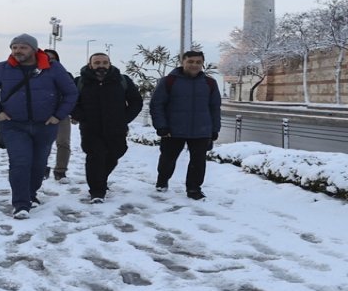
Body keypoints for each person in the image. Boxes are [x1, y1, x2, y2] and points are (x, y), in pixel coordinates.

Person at [0, 34, 78, 219]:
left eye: (22, 47)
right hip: (13, 126)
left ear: (33, 49)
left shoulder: (52, 68)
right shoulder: (1, 69)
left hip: (45, 126)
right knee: (20, 163)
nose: (17, 51)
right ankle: (21, 204)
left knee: (38, 165)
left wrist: (58, 116)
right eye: (14, 47)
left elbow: (71, 92)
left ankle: (31, 194)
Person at [71, 52, 143, 204]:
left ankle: (100, 179)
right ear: (90, 64)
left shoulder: (122, 80)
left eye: (104, 62)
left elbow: (136, 101)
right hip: (90, 129)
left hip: (116, 128)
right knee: (95, 157)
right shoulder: (80, 81)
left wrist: (124, 119)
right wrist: (81, 116)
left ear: (109, 64)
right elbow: (71, 102)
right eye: (97, 63)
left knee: (117, 152)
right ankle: (97, 191)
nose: (101, 66)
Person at [149, 50, 221, 201]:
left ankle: (194, 189)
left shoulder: (210, 83)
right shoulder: (169, 81)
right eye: (190, 61)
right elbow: (157, 104)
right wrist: (161, 126)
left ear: (202, 64)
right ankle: (162, 180)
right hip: (173, 130)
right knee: (167, 159)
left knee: (198, 162)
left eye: (198, 62)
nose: (194, 65)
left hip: (201, 130)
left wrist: (214, 129)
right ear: (183, 62)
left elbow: (215, 107)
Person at [41, 48, 73, 184]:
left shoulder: (66, 75)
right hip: (40, 115)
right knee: (42, 144)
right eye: (46, 57)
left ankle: (60, 171)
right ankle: (41, 168)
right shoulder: (33, 75)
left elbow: (72, 94)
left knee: (63, 142)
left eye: (52, 58)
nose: (49, 60)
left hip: (61, 114)